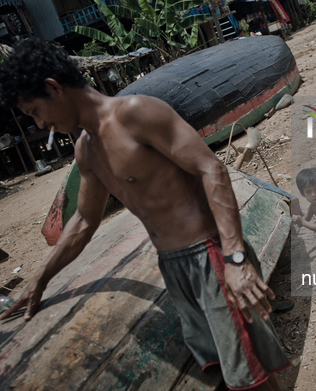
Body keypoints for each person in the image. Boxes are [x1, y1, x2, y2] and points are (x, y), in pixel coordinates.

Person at [0, 39, 288, 391]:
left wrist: (236, 258)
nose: (41, 123)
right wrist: (39, 280)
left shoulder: (136, 113)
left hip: (212, 255)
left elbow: (212, 170)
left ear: (53, 88)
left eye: (34, 111)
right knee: (224, 369)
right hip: (173, 265)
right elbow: (83, 222)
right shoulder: (86, 150)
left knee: (250, 375)